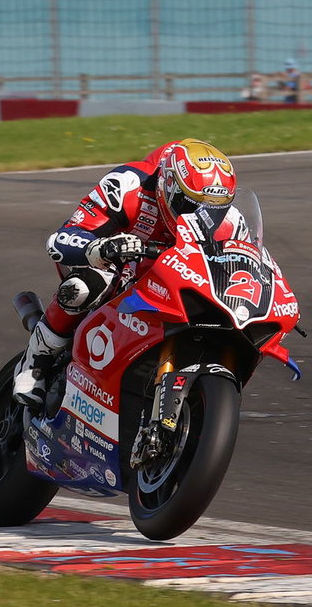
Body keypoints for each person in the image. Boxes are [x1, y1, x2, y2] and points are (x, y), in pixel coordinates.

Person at [13, 139, 242, 407]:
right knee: (84, 287)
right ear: (168, 186)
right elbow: (61, 239)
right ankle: (36, 360)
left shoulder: (230, 220)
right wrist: (101, 248)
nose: (203, 216)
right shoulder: (128, 185)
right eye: (190, 206)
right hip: (108, 263)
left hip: (169, 279)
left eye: (215, 209)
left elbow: (243, 261)